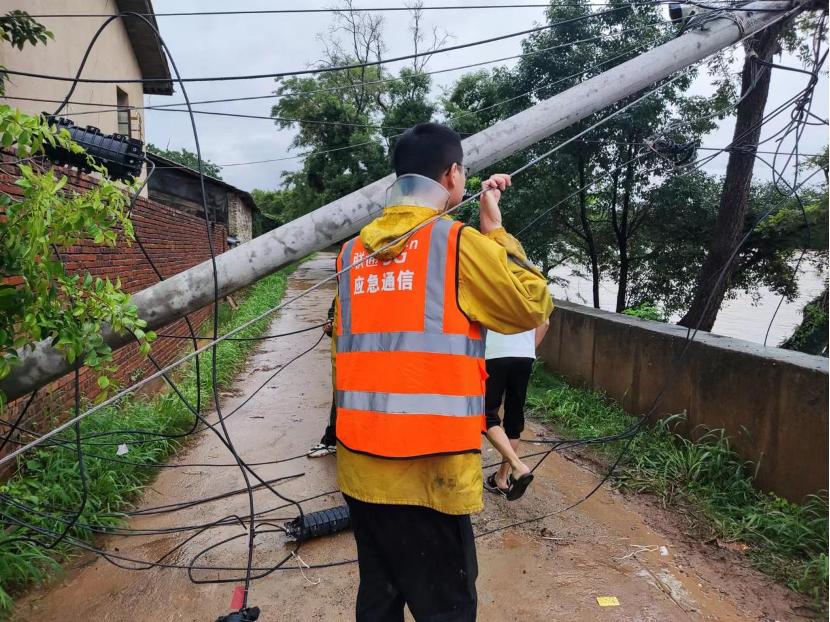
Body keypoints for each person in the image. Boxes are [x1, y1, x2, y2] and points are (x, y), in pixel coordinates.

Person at [334, 122, 553, 622]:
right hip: (430, 475)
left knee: (379, 598)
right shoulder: (456, 244)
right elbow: (532, 305)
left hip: (361, 467)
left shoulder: (350, 255)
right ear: (453, 174)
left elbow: (342, 360)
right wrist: (495, 231)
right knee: (447, 609)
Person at [483, 322, 549, 496]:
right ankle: (502, 479)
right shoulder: (532, 292)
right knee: (514, 421)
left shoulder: (493, 292)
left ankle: (517, 465)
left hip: (493, 353)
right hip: (524, 355)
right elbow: (545, 323)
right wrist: (527, 349)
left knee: (485, 416)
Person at [308, 298, 338, 458]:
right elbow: (334, 313)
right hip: (349, 360)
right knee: (339, 399)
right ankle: (332, 440)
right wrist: (330, 325)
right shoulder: (346, 286)